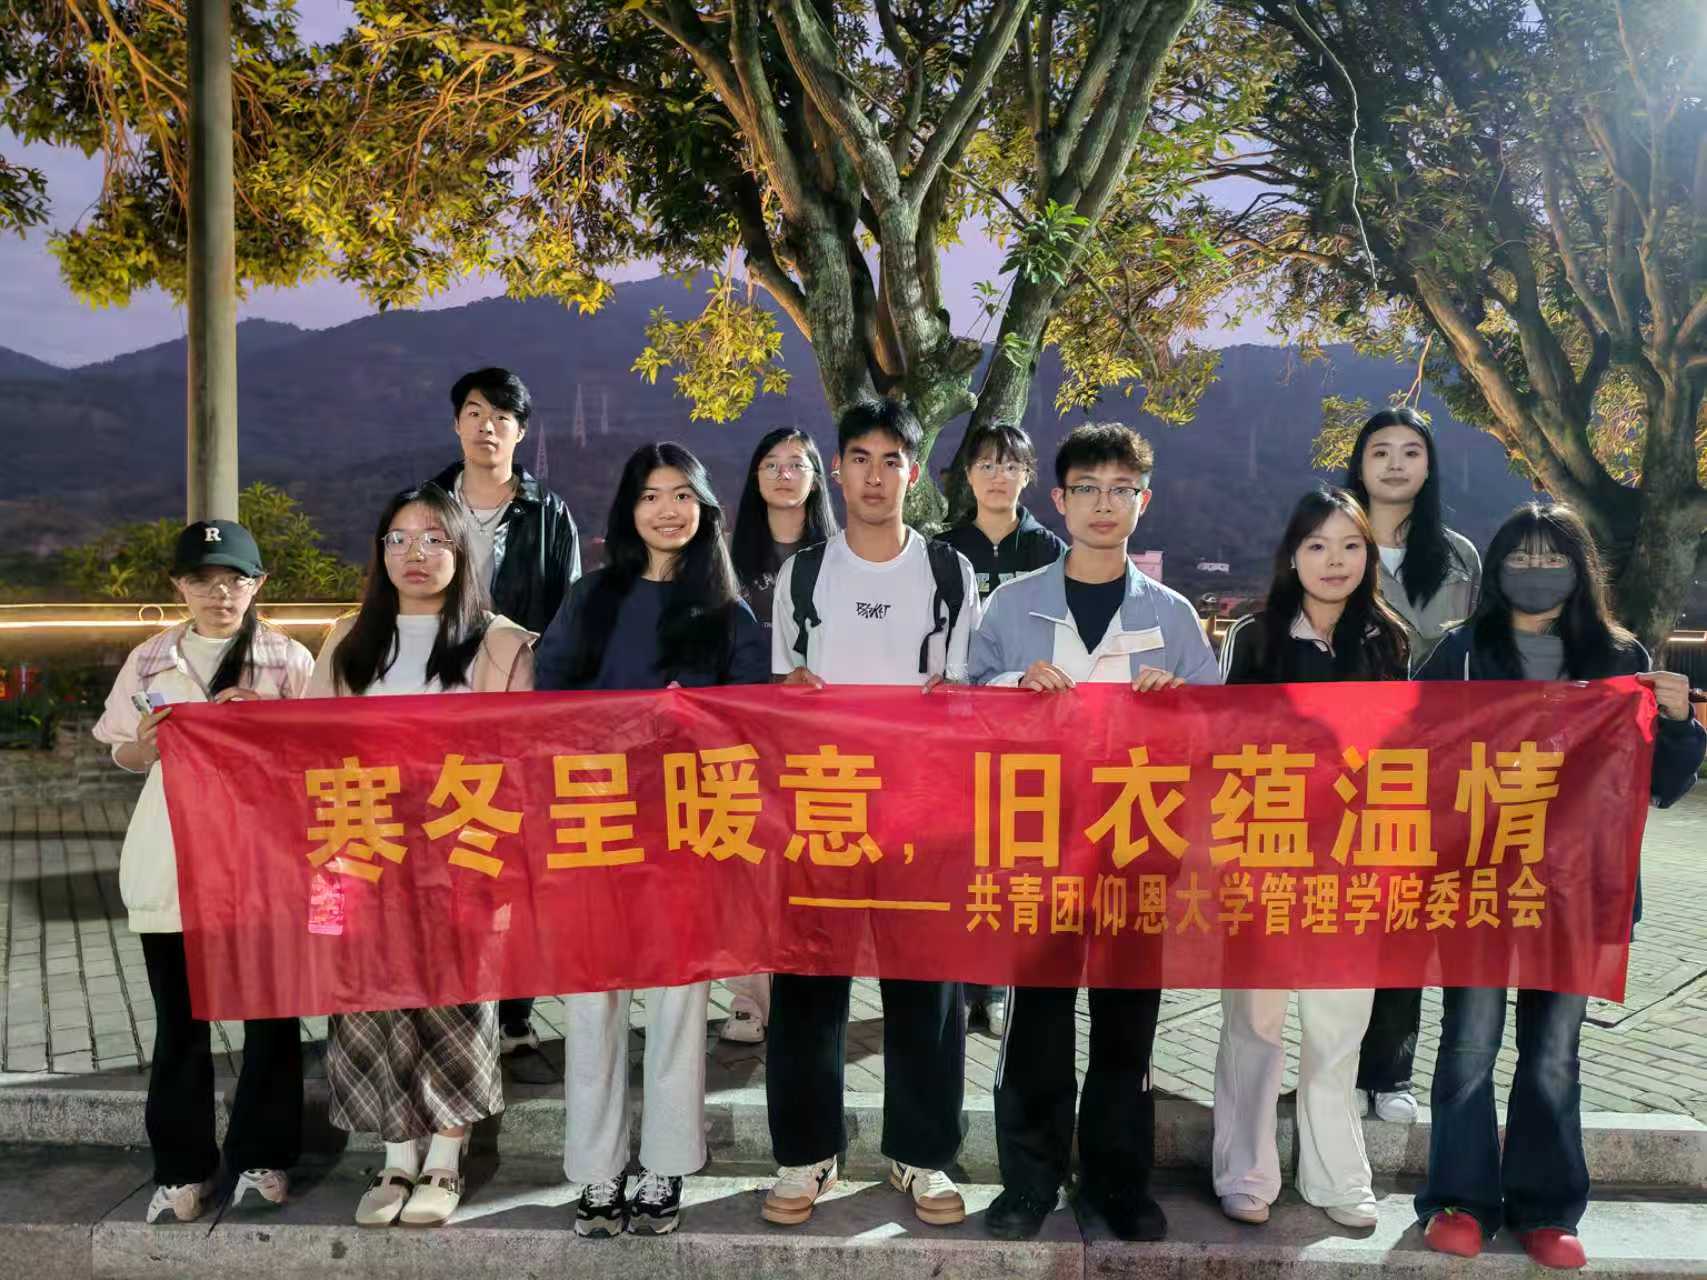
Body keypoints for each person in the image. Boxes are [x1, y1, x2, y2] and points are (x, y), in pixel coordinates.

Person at [1414, 501, 1704, 1271]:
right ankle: (1457, 1202)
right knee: (1469, 1046)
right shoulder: (1459, 653)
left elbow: (1660, 786)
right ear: (1496, 568)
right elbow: (1406, 754)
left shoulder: (1617, 655)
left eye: (1553, 559)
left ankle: (1544, 1210)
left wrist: (1679, 723)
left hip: (1579, 894)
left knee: (1551, 1054)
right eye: (1521, 557)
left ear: (1580, 571)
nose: (1535, 572)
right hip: (1478, 886)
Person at [968, 421, 1220, 1243]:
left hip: (1135, 843)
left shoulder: (1173, 616)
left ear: (1143, 501)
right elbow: (962, 707)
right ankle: (1028, 1181)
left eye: (1120, 490)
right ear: (1059, 499)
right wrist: (1013, 683)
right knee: (1036, 1022)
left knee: (1126, 1022)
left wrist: (1179, 706)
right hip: (1039, 841)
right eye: (1087, 489)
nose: (1103, 505)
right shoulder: (1011, 605)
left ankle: (1117, 1184)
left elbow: (1218, 732)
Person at [534, 443, 768, 1237]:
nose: (666, 510)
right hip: (596, 826)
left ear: (706, 510)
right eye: (649, 496)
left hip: (686, 836)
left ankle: (666, 1165)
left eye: (682, 495)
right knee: (593, 1004)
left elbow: (752, 728)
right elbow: (547, 704)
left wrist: (693, 725)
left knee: (676, 1007)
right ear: (628, 510)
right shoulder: (590, 598)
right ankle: (595, 1171)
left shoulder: (729, 613)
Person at [761, 398, 979, 1229]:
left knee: (926, 991)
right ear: (839, 470)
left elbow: (968, 696)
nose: (875, 475)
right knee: (807, 988)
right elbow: (780, 691)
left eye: (892, 460)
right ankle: (805, 1153)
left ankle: (920, 1154)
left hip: (922, 810)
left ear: (912, 474)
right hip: (823, 808)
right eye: (860, 458)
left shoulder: (949, 573)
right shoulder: (804, 575)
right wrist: (788, 695)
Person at [309, 483, 536, 1227]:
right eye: (400, 539)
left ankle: (445, 1155)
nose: (417, 553)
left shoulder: (502, 642)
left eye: (435, 538)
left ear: (463, 550)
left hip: (461, 847)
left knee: (458, 999)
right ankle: (395, 1155)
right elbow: (307, 751)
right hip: (360, 842)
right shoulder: (348, 639)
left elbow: (520, 757)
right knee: (369, 999)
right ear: (380, 552)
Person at [92, 521, 315, 1224]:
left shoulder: (288, 659)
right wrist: (146, 746)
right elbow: (119, 750)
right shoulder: (149, 659)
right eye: (202, 580)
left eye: (235, 579)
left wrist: (272, 724)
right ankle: (183, 1169)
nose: (220, 593)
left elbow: (321, 756)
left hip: (261, 860)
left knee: (270, 1016)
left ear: (259, 584)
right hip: (172, 859)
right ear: (179, 586)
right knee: (178, 1021)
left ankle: (263, 1156)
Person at [1212, 488, 1411, 1231]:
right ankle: (1245, 1171)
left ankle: (1336, 1176)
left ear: (1368, 556)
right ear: (1291, 556)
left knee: (1337, 1027)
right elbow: (1220, 743)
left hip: (1352, 861)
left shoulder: (1388, 640)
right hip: (1263, 855)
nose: (1334, 561)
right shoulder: (1254, 636)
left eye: (1350, 546)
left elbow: (1403, 752)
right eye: (1317, 546)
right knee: (1254, 1023)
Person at [431, 366, 581, 1076]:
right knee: (447, 856)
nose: (485, 426)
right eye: (473, 412)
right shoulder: (426, 506)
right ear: (456, 424)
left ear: (520, 431)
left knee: (516, 862)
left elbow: (567, 613)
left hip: (518, 707)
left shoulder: (550, 513)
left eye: (500, 416)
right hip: (439, 706)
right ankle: (452, 998)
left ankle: (515, 1014)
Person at [1343, 405, 1481, 1124]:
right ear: (1359, 464)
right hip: (1344, 766)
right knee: (1341, 922)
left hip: (1431, 772)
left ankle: (1390, 1074)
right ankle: (1334, 1069)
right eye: (1380, 451)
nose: (1394, 464)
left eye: (1410, 452)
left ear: (1428, 468)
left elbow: (1481, 654)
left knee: (1405, 920)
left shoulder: (1458, 557)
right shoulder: (1333, 538)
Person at [936, 420, 1066, 1039]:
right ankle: (960, 983)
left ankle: (997, 984)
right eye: (986, 465)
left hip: (1029, 733)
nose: (997, 476)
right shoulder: (943, 551)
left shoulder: (1049, 550)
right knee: (964, 860)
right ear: (968, 475)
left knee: (1014, 862)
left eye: (1010, 466)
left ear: (1027, 476)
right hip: (960, 730)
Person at [722, 426, 838, 1044]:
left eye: (797, 463)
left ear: (817, 478)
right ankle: (748, 996)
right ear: (755, 477)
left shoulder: (840, 558)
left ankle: (803, 988)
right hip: (742, 733)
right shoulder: (725, 556)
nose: (784, 474)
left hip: (817, 737)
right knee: (747, 863)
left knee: (806, 864)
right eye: (771, 463)